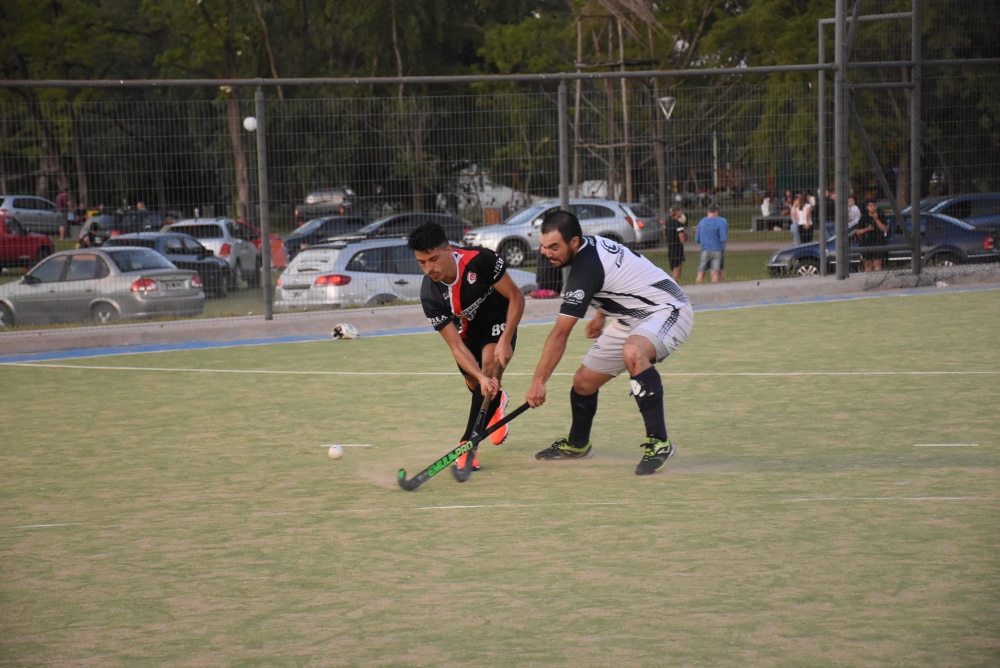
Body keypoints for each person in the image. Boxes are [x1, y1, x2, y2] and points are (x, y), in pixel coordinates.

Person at [525, 210, 693, 476]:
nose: (548, 253)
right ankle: (578, 444)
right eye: (544, 247)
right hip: (629, 317)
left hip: (668, 310)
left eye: (554, 247)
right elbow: (621, 277)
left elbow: (560, 334)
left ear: (574, 243)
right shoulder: (587, 249)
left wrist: (538, 382)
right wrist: (600, 315)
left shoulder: (585, 268)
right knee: (583, 383)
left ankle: (659, 442)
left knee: (634, 352)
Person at [407, 221, 525, 472]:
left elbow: (516, 296)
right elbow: (456, 347)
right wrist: (480, 377)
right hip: (468, 334)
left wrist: (506, 339)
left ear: (449, 250)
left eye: (434, 259)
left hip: (498, 321)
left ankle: (468, 446)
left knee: (490, 365)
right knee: (478, 386)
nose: (429, 268)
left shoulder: (480, 260)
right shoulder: (430, 295)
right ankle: (498, 400)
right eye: (422, 263)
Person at [694, 203, 728, 284]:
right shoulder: (720, 222)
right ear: (716, 212)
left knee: (701, 272)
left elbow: (697, 239)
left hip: (705, 250)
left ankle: (698, 288)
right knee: (715, 273)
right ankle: (715, 290)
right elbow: (723, 238)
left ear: (708, 211)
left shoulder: (701, 222)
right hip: (717, 250)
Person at [854, 200, 889, 272]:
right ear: (867, 207)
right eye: (870, 205)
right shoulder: (864, 217)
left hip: (878, 241)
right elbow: (858, 232)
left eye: (874, 205)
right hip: (866, 242)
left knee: (878, 263)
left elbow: (884, 229)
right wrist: (867, 229)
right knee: (868, 264)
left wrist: (876, 219)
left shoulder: (881, 215)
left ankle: (878, 277)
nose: (872, 207)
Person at [665, 205, 687, 281]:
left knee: (673, 267)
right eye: (680, 211)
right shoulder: (679, 224)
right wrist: (685, 233)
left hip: (670, 247)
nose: (681, 213)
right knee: (677, 268)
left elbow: (664, 232)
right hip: (677, 248)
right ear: (677, 212)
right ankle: (675, 283)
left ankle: (674, 281)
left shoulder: (668, 221)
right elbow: (682, 239)